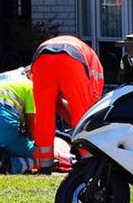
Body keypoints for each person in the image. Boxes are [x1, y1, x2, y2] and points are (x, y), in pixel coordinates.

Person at [31, 35, 104, 174]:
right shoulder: (96, 65)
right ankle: (88, 160)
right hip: (72, 60)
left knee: (43, 116)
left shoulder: (86, 52)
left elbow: (56, 105)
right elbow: (90, 110)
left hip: (41, 58)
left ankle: (44, 165)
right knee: (83, 115)